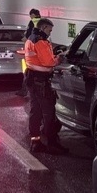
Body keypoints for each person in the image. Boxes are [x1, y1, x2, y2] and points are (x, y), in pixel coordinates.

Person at [23, 18, 65, 154]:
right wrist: (60, 58)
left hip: (31, 78)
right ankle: (52, 143)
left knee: (36, 111)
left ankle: (35, 142)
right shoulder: (40, 41)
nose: (50, 33)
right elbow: (48, 62)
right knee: (48, 112)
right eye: (50, 30)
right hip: (40, 81)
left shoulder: (30, 39)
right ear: (44, 28)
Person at [18, 9, 43, 97]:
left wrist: (24, 40)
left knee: (28, 70)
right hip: (41, 51)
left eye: (30, 15)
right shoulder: (44, 23)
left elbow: (28, 35)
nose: (30, 17)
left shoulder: (32, 22)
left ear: (33, 14)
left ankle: (25, 90)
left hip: (31, 51)